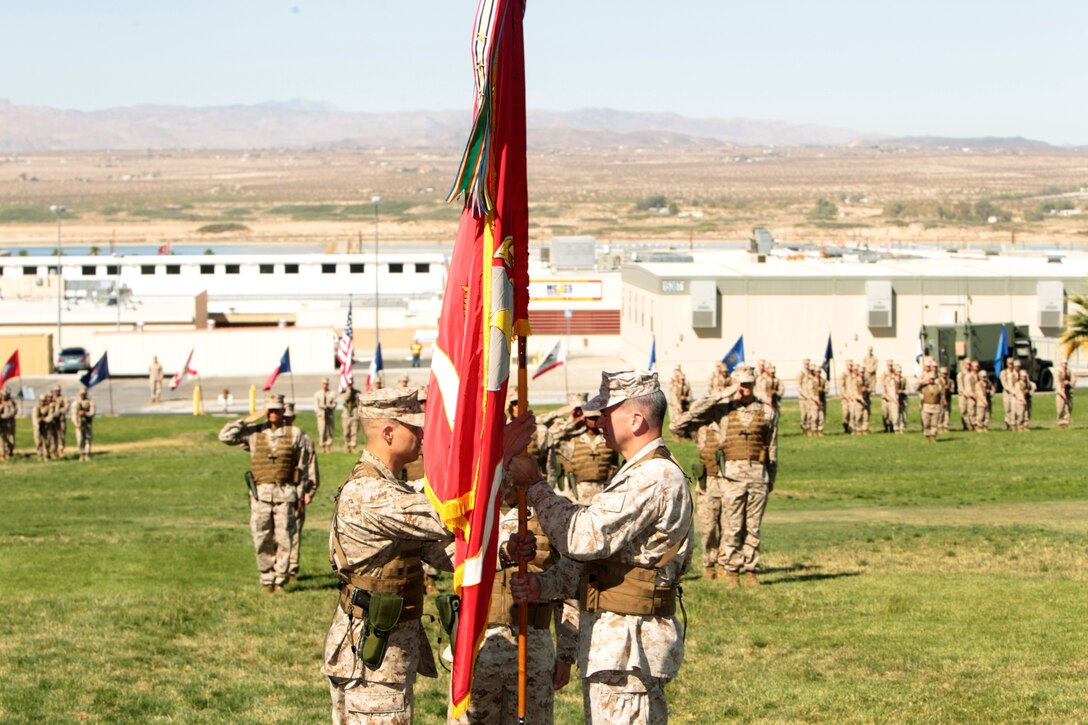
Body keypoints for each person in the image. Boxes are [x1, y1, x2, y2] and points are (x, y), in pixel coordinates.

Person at [508, 370, 693, 724]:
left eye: (607, 412)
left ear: (636, 419)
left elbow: (583, 537)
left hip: (629, 649)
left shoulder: (652, 477)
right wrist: (542, 586)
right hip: (618, 647)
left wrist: (535, 485)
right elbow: (601, 559)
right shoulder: (635, 473)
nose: (599, 421)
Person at [322, 388, 467, 724]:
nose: (422, 434)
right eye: (414, 427)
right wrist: (493, 463)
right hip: (374, 657)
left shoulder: (392, 486)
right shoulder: (370, 493)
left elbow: (434, 550)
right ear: (388, 432)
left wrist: (503, 551)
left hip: (385, 649)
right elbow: (446, 515)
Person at [451, 479, 578, 725]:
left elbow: (569, 588)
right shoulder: (469, 513)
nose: (506, 477)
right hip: (479, 645)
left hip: (532, 647)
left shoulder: (550, 511)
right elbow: (452, 559)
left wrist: (566, 655)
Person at [670, 365, 776, 586]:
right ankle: (729, 569)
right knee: (731, 526)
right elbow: (680, 421)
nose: (744, 388)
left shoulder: (767, 411)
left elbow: (772, 446)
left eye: (747, 384)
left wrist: (771, 479)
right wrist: (721, 394)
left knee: (753, 527)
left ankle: (750, 569)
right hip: (730, 478)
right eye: (740, 384)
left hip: (758, 475)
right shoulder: (722, 410)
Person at [218, 394, 310, 593]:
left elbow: (302, 467)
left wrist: (300, 494)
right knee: (262, 537)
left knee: (284, 537)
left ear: (283, 411)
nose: (273, 414)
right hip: (261, 495)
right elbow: (225, 437)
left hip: (285, 494)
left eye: (277, 410)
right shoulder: (253, 433)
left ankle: (281, 580)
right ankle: (266, 578)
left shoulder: (295, 434)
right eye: (269, 410)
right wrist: (246, 420)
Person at [670, 395, 726, 579]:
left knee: (729, 527)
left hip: (729, 482)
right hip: (707, 483)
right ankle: (709, 563)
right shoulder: (701, 428)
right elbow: (675, 426)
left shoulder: (730, 424)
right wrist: (697, 410)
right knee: (708, 527)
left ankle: (725, 565)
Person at [283, 402, 319, 584]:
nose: (286, 420)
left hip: (297, 492)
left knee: (294, 531)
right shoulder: (272, 439)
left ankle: (291, 569)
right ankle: (277, 569)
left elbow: (311, 466)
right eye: (284, 417)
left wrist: (310, 491)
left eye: (288, 417)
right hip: (278, 492)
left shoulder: (304, 438)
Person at [555, 406, 619, 504]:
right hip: (578, 492)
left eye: (596, 418)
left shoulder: (608, 440)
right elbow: (553, 437)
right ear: (585, 419)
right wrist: (573, 423)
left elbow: (615, 465)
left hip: (603, 490)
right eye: (590, 418)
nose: (593, 421)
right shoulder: (573, 440)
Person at [917, 371, 943, 442]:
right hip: (926, 406)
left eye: (932, 379)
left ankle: (933, 436)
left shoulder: (938, 386)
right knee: (926, 423)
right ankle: (927, 436)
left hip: (935, 406)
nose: (931, 380)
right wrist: (923, 382)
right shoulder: (924, 387)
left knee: (934, 423)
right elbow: (916, 388)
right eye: (930, 379)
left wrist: (941, 405)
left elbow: (941, 396)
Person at [314, 379, 338, 453]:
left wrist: (330, 406)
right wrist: (319, 413)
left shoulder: (332, 393)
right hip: (321, 415)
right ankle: (322, 446)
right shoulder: (317, 394)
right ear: (322, 384)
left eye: (326, 384)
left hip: (329, 414)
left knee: (329, 431)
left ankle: (328, 446)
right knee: (322, 431)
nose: (325, 385)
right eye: (324, 384)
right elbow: (316, 406)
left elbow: (335, 403)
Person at [72, 389, 95, 462]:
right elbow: (73, 414)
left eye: (84, 394)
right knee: (80, 439)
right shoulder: (76, 403)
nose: (83, 395)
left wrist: (85, 413)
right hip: (79, 423)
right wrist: (75, 423)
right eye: (81, 394)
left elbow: (92, 412)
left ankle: (87, 454)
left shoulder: (90, 402)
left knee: (88, 439)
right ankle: (81, 454)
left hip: (87, 423)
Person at [32, 392, 56, 461]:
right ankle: (39, 455)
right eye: (41, 401)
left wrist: (44, 419)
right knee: (38, 441)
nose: (42, 402)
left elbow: (50, 417)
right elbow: (35, 419)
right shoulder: (36, 409)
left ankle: (46, 455)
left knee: (46, 441)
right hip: (37, 427)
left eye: (43, 401)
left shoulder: (48, 408)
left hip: (46, 427)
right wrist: (39, 422)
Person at [341, 385, 360, 453]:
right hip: (346, 415)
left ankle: (353, 446)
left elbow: (360, 398)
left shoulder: (356, 392)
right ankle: (347, 446)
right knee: (346, 432)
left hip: (354, 415)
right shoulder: (344, 392)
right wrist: (348, 390)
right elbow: (346, 398)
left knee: (354, 432)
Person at [52, 384, 70, 457]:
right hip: (53, 421)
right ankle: (54, 450)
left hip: (61, 419)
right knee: (53, 436)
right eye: (55, 391)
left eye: (58, 391)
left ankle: (61, 450)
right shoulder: (52, 398)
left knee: (61, 435)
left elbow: (67, 406)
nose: (57, 392)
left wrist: (60, 411)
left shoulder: (63, 398)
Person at [1055, 360, 1073, 429]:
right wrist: (1061, 392)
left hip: (1068, 392)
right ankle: (1060, 423)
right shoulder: (1058, 372)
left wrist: (1069, 383)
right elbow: (1057, 382)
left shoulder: (1069, 371)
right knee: (1060, 409)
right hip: (1060, 393)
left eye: (1066, 364)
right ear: (1061, 364)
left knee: (1068, 409)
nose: (1065, 365)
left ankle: (1066, 424)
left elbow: (1074, 379)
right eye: (1064, 364)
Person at [0, 389, 16, 461]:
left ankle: (10, 452)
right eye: (2, 396)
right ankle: (2, 453)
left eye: (4, 396)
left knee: (10, 438)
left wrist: (3, 416)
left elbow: (12, 412)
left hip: (9, 423)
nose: (3, 397)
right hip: (2, 424)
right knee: (2, 438)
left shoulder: (10, 403)